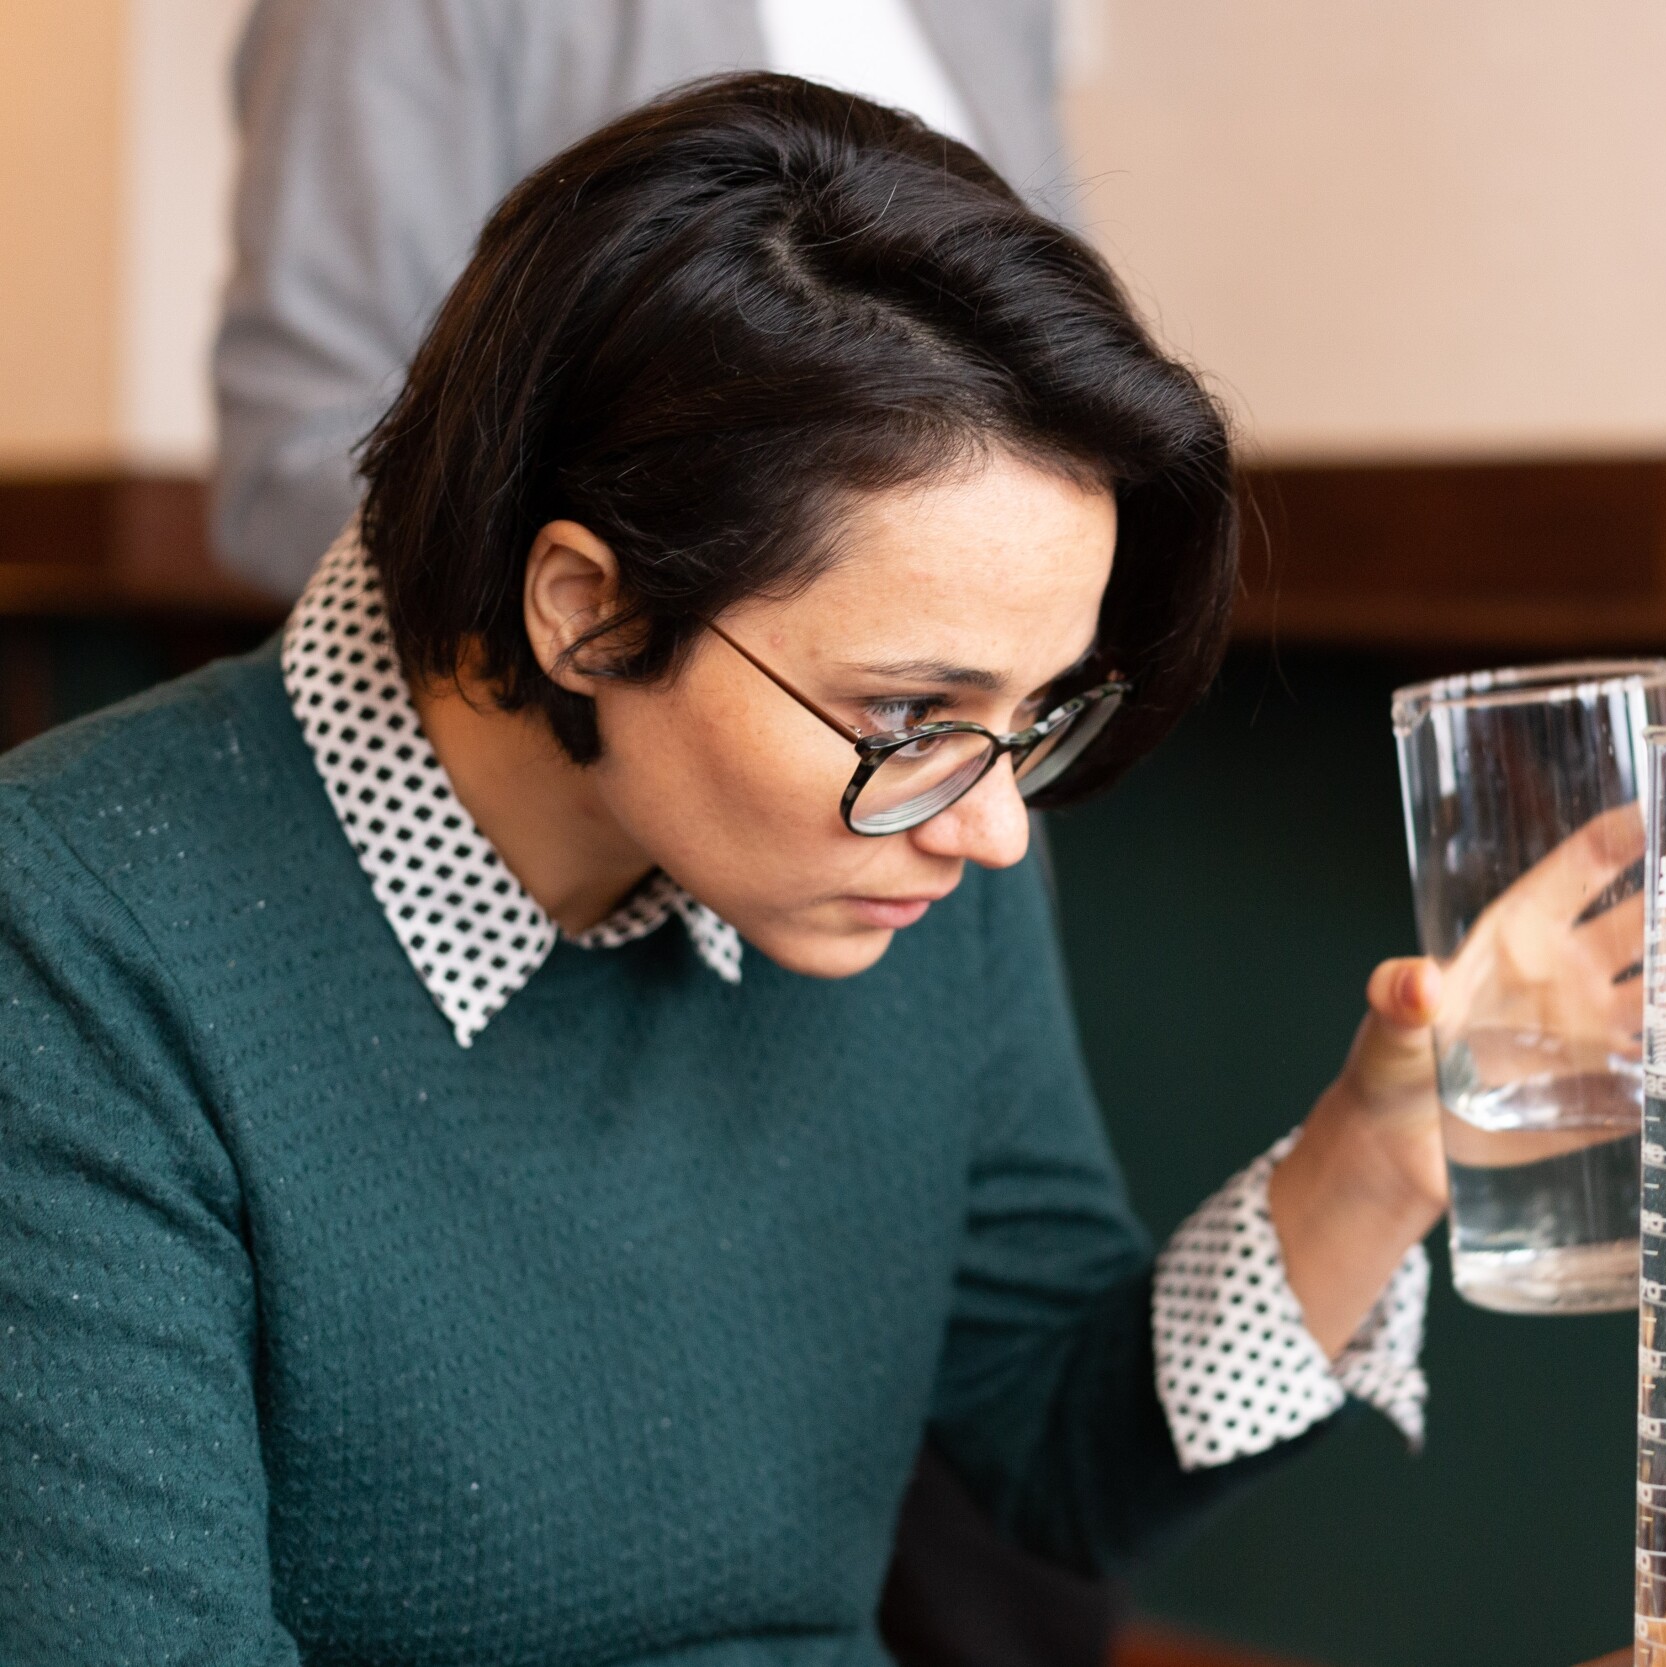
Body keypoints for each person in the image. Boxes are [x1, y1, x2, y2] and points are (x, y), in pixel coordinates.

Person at [0, 78, 1451, 1663]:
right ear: (584, 609)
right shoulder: (76, 934)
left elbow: (1057, 1453)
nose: (994, 823)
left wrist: (1369, 1160)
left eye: (1034, 712)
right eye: (912, 711)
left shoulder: (911, 839)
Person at [216, 0, 1067, 597]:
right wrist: (624, 628)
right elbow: (295, 450)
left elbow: (1059, 361)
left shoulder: (993, 14)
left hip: (962, 717)